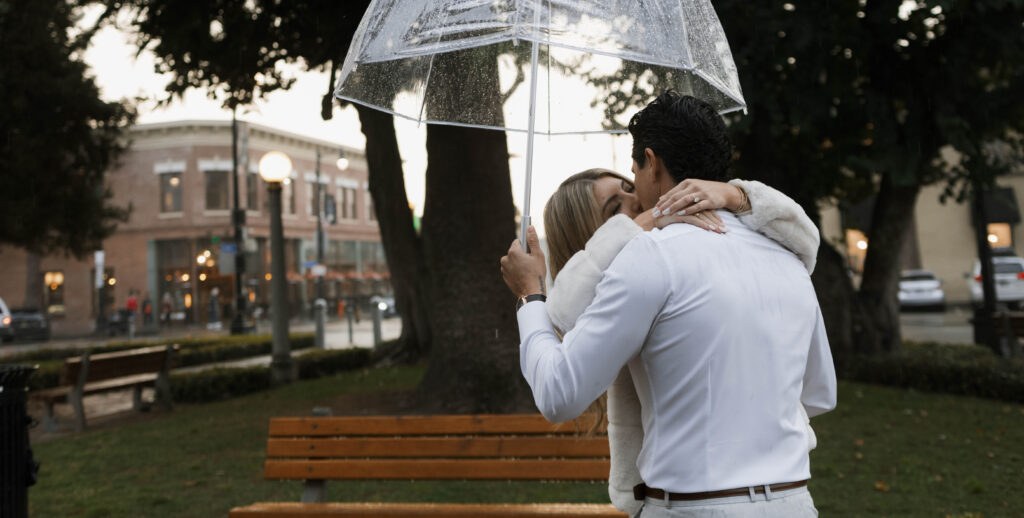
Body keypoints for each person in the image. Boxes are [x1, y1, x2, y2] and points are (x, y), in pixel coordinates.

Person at [501, 92, 836, 517]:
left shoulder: (649, 258)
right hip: (794, 504)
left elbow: (559, 394)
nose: (634, 192)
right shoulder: (787, 257)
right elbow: (820, 392)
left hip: (695, 507)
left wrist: (530, 295)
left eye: (633, 173)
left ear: (651, 162)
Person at [540, 168, 821, 516]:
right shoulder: (629, 272)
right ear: (593, 235)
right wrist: (639, 223)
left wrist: (736, 195)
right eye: (615, 210)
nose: (636, 200)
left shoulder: (707, 240)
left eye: (630, 188)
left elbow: (807, 238)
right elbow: (563, 312)